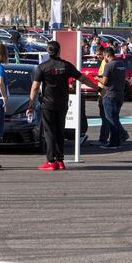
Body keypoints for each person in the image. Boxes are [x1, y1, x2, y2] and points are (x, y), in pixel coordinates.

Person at [27, 40, 88, 171]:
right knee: (60, 131)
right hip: (62, 103)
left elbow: (35, 87)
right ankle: (60, 161)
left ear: (48, 52)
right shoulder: (66, 66)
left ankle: (51, 161)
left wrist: (30, 105)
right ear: (59, 51)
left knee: (49, 132)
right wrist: (98, 89)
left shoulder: (42, 67)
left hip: (47, 104)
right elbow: (82, 78)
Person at [94, 47, 127, 149]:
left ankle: (113, 142)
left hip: (109, 95)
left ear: (107, 55)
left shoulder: (109, 65)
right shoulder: (121, 64)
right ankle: (117, 141)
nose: (104, 59)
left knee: (110, 119)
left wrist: (97, 78)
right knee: (115, 118)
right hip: (120, 94)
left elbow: (105, 81)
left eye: (104, 56)